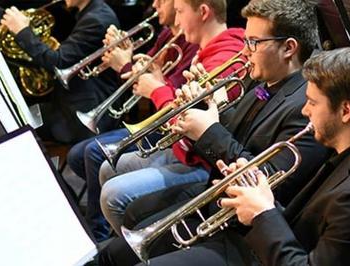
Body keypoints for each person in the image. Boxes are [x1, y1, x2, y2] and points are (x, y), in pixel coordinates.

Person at [113, 47, 350, 266]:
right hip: (256, 241)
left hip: (260, 251)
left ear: (346, 111)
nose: (305, 112)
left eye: (312, 103)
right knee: (121, 245)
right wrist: (256, 185)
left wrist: (262, 211)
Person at [99, 0, 331, 244]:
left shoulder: (305, 109)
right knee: (133, 214)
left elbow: (265, 181)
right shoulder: (262, 79)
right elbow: (237, 132)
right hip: (215, 187)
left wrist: (208, 129)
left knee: (121, 217)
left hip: (239, 223)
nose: (244, 51)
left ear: (288, 48)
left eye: (253, 42)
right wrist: (210, 103)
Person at [99, 0, 247, 237]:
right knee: (108, 168)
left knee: (113, 193)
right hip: (182, 148)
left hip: (202, 160)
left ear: (204, 12)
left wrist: (158, 89)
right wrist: (160, 82)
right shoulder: (202, 49)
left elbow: (188, 125)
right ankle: (117, 241)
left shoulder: (225, 58)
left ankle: (127, 249)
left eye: (179, 12)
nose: (176, 22)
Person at [66, 0, 199, 242]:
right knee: (77, 155)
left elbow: (172, 97)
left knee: (96, 154)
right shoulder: (168, 34)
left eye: (165, 2)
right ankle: (114, 219)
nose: (155, 5)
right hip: (157, 121)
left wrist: (127, 65)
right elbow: (140, 80)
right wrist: (125, 56)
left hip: (170, 129)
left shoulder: (191, 42)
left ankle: (99, 235)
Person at [0, 0, 120, 143]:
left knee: (17, 126)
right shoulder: (89, 12)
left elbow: (59, 62)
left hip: (85, 109)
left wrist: (22, 31)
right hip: (73, 100)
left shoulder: (96, 19)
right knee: (15, 118)